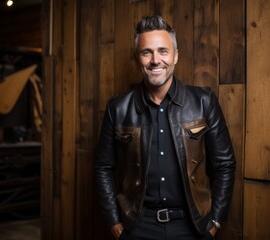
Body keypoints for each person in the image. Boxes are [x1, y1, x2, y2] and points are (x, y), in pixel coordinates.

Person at [95, 15, 236, 240]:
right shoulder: (118, 107)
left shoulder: (203, 102)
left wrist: (215, 222)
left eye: (163, 51)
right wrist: (114, 222)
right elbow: (103, 166)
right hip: (137, 227)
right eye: (146, 52)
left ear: (175, 56)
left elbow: (225, 164)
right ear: (137, 58)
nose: (155, 60)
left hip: (193, 227)